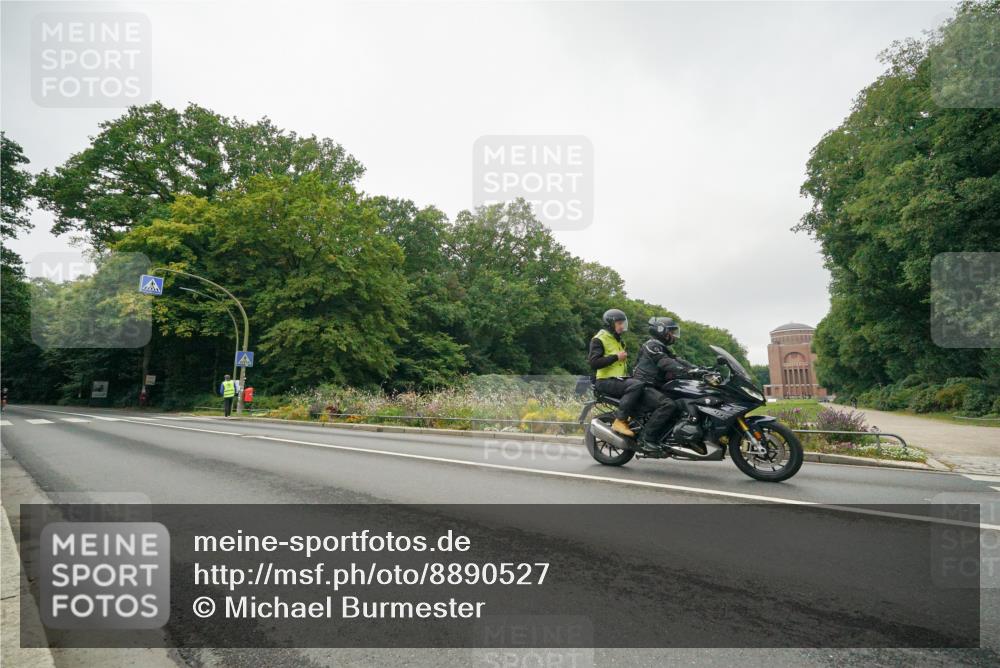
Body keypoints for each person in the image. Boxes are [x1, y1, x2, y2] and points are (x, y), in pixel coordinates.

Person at [632, 317, 697, 449]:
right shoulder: (652, 346)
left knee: (680, 400)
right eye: (671, 332)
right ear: (661, 330)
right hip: (644, 385)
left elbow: (677, 360)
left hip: (656, 386)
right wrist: (686, 371)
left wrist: (698, 369)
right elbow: (664, 362)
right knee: (667, 405)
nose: (674, 335)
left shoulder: (662, 348)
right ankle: (646, 439)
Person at [588, 309, 645, 437]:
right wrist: (616, 357)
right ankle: (620, 420)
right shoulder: (599, 339)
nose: (622, 326)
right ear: (610, 324)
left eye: (623, 323)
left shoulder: (618, 340)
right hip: (604, 381)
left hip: (617, 380)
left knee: (643, 385)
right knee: (636, 385)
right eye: (619, 323)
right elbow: (593, 363)